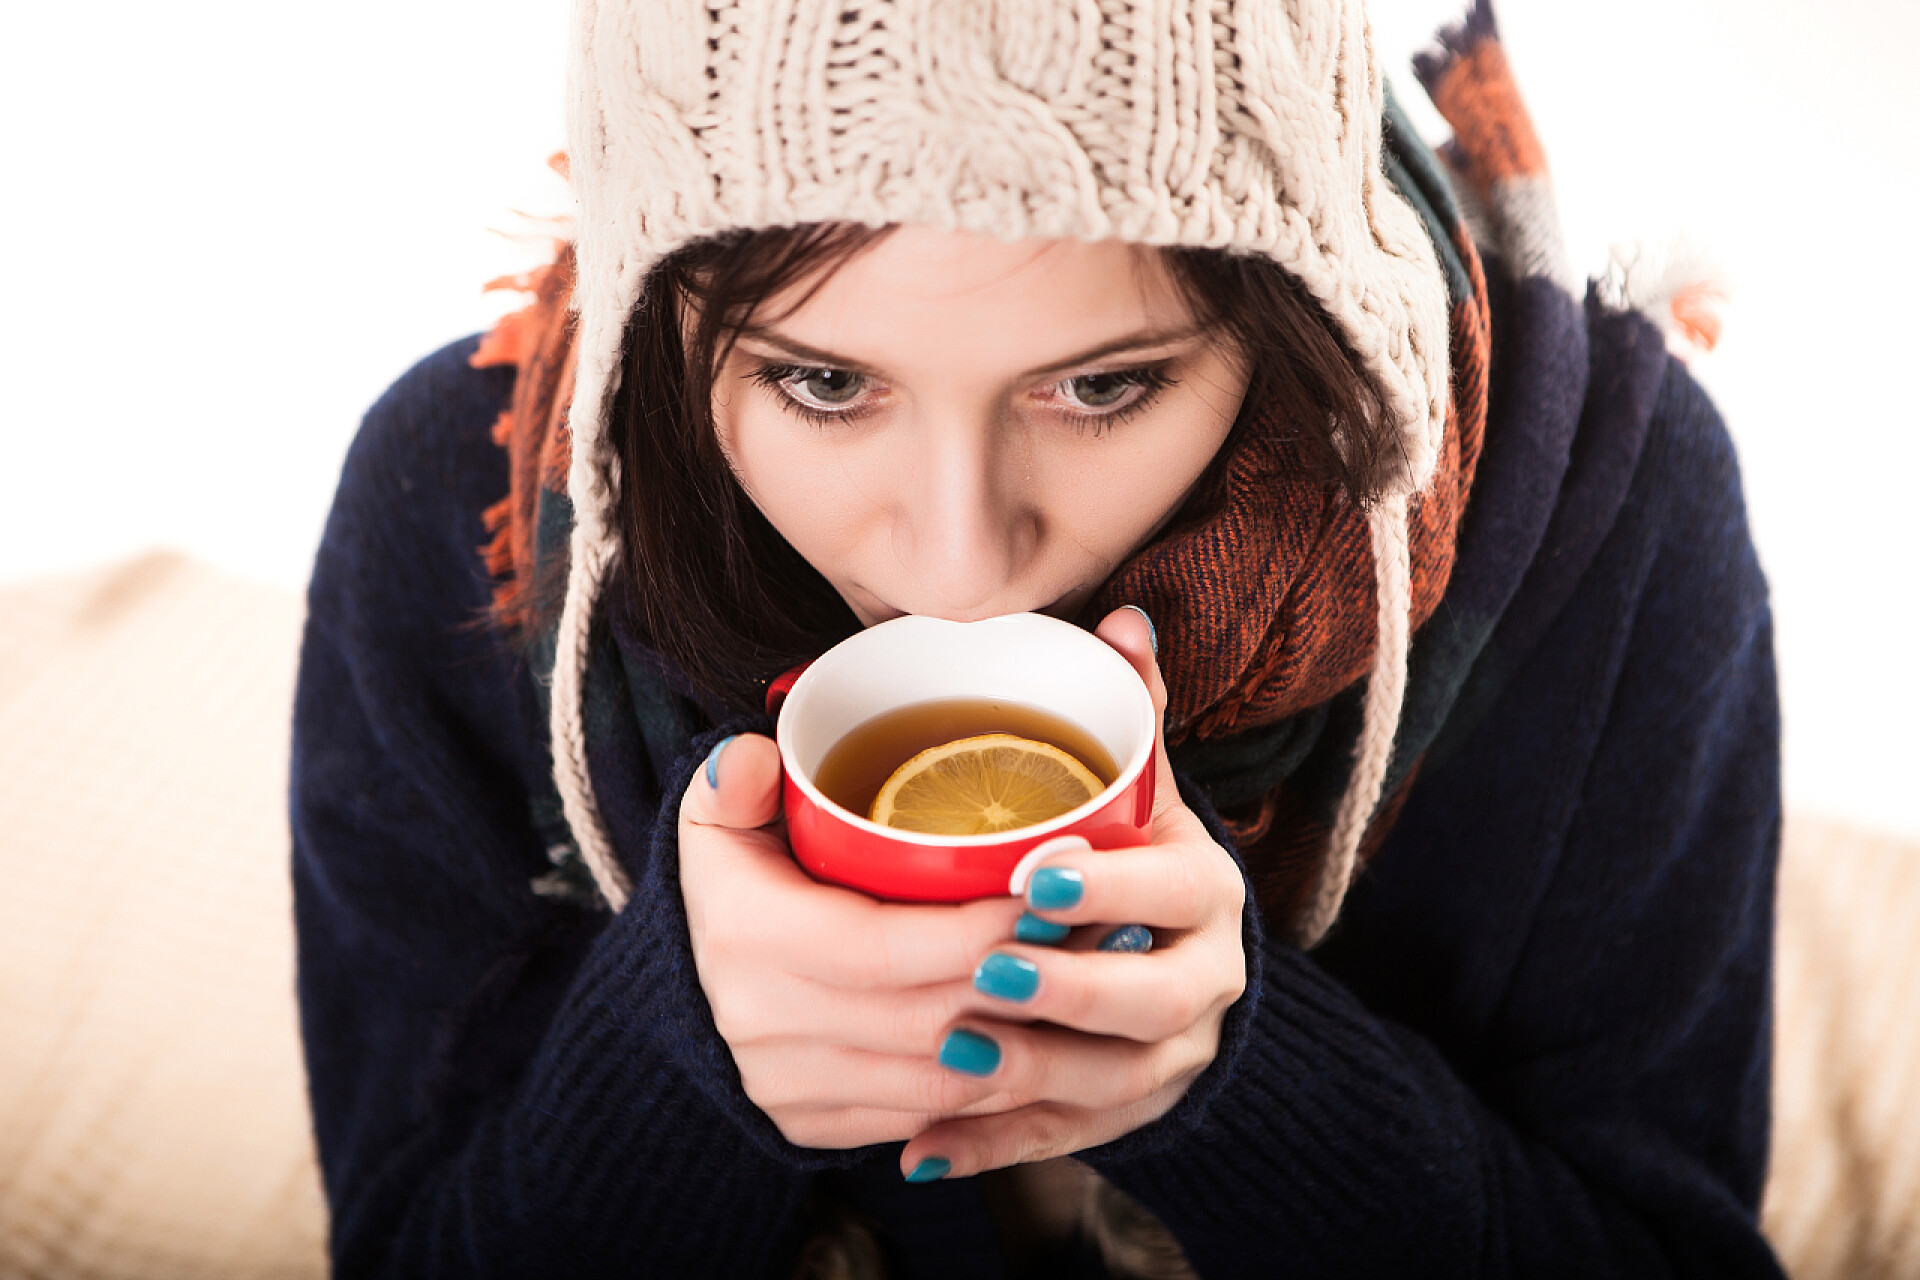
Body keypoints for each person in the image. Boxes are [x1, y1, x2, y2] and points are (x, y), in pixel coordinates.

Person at [289, 0, 1787, 1275]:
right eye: (822, 384)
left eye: (1103, 388)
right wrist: (672, 1059)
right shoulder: (469, 500)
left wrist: (1250, 1087)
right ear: (656, 318)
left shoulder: (1602, 507)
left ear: (1308, 310)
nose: (959, 570)